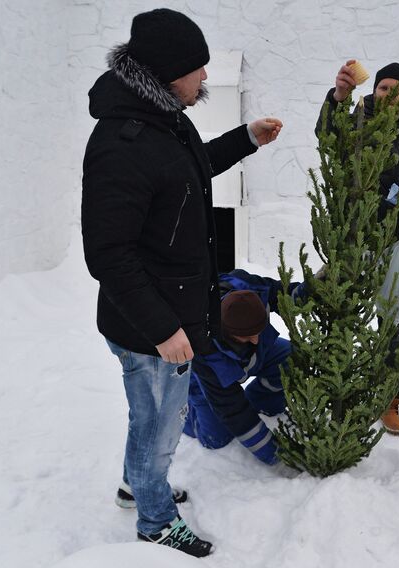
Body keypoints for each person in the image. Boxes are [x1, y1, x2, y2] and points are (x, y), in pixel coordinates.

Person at [81, 8, 282, 557]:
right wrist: (164, 329)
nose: (204, 79)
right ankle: (153, 519)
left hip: (167, 311)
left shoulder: (165, 118)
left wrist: (245, 139)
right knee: (159, 425)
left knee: (149, 416)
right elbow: (108, 254)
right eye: (199, 70)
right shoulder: (121, 146)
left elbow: (187, 171)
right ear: (170, 72)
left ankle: (135, 484)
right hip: (149, 325)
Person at [316, 60, 399, 435]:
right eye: (384, 87)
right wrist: (338, 97)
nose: (389, 95)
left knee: (388, 324)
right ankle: (336, 389)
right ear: (374, 90)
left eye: (398, 90)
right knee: (344, 315)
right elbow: (325, 134)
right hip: (349, 240)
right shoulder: (354, 121)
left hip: (391, 240)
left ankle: (388, 400)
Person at [183, 270, 303, 466]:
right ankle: (184, 416)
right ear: (226, 332)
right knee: (217, 438)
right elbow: (233, 410)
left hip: (248, 359)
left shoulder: (248, 287)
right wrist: (277, 456)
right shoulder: (204, 349)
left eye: (258, 331)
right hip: (204, 381)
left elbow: (283, 292)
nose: (255, 339)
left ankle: (261, 401)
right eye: (247, 336)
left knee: (291, 356)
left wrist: (312, 289)